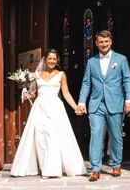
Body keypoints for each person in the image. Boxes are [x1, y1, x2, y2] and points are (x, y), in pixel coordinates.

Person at [10, 49, 87, 178]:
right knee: (40, 138)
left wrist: (76, 107)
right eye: (49, 58)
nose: (52, 61)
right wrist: (26, 93)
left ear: (57, 61)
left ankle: (51, 170)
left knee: (53, 137)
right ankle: (44, 166)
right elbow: (33, 93)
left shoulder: (61, 74)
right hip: (39, 109)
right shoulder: (37, 74)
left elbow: (66, 93)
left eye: (54, 59)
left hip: (55, 109)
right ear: (44, 60)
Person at [76, 30, 130, 182]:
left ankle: (116, 164)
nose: (103, 44)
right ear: (96, 43)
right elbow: (86, 83)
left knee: (116, 135)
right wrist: (82, 102)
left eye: (106, 41)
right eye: (100, 42)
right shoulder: (92, 62)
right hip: (96, 105)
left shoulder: (121, 59)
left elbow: (127, 80)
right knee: (96, 136)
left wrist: (129, 100)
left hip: (115, 103)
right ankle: (95, 168)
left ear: (111, 41)